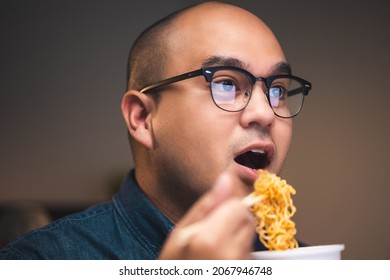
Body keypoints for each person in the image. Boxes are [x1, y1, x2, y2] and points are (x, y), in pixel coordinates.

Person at [0, 1, 311, 259]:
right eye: (226, 83)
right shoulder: (44, 260)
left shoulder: (302, 262)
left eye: (277, 91)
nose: (264, 112)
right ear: (142, 117)